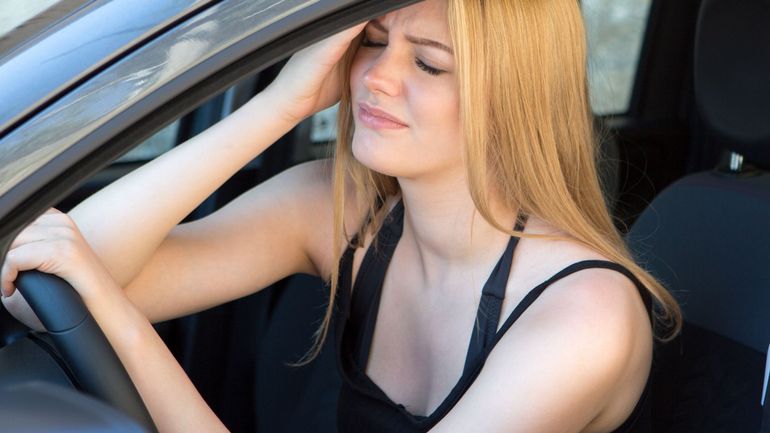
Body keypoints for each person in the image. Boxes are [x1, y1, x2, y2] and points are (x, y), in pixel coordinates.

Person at [1, 0, 682, 432]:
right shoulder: (344, 210)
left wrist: (113, 314)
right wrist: (283, 104)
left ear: (511, 100)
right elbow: (38, 285)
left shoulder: (582, 317)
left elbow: (79, 277)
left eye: (430, 64)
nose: (376, 77)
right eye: (372, 40)